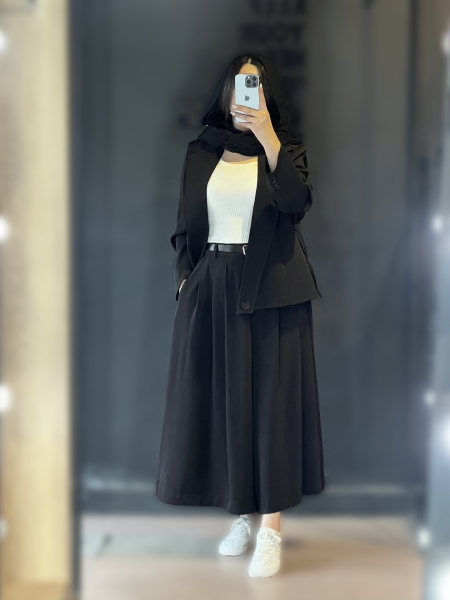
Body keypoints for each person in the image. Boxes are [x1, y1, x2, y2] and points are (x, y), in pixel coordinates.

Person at [155, 53, 325, 578]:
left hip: (272, 287)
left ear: (266, 95)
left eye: (255, 85)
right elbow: (184, 227)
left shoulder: (285, 149)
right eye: (238, 84)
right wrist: (186, 281)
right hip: (214, 287)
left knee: (272, 407)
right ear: (226, 92)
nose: (244, 93)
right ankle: (241, 514)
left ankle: (271, 528)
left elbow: (295, 203)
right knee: (227, 406)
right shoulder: (201, 152)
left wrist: (270, 139)